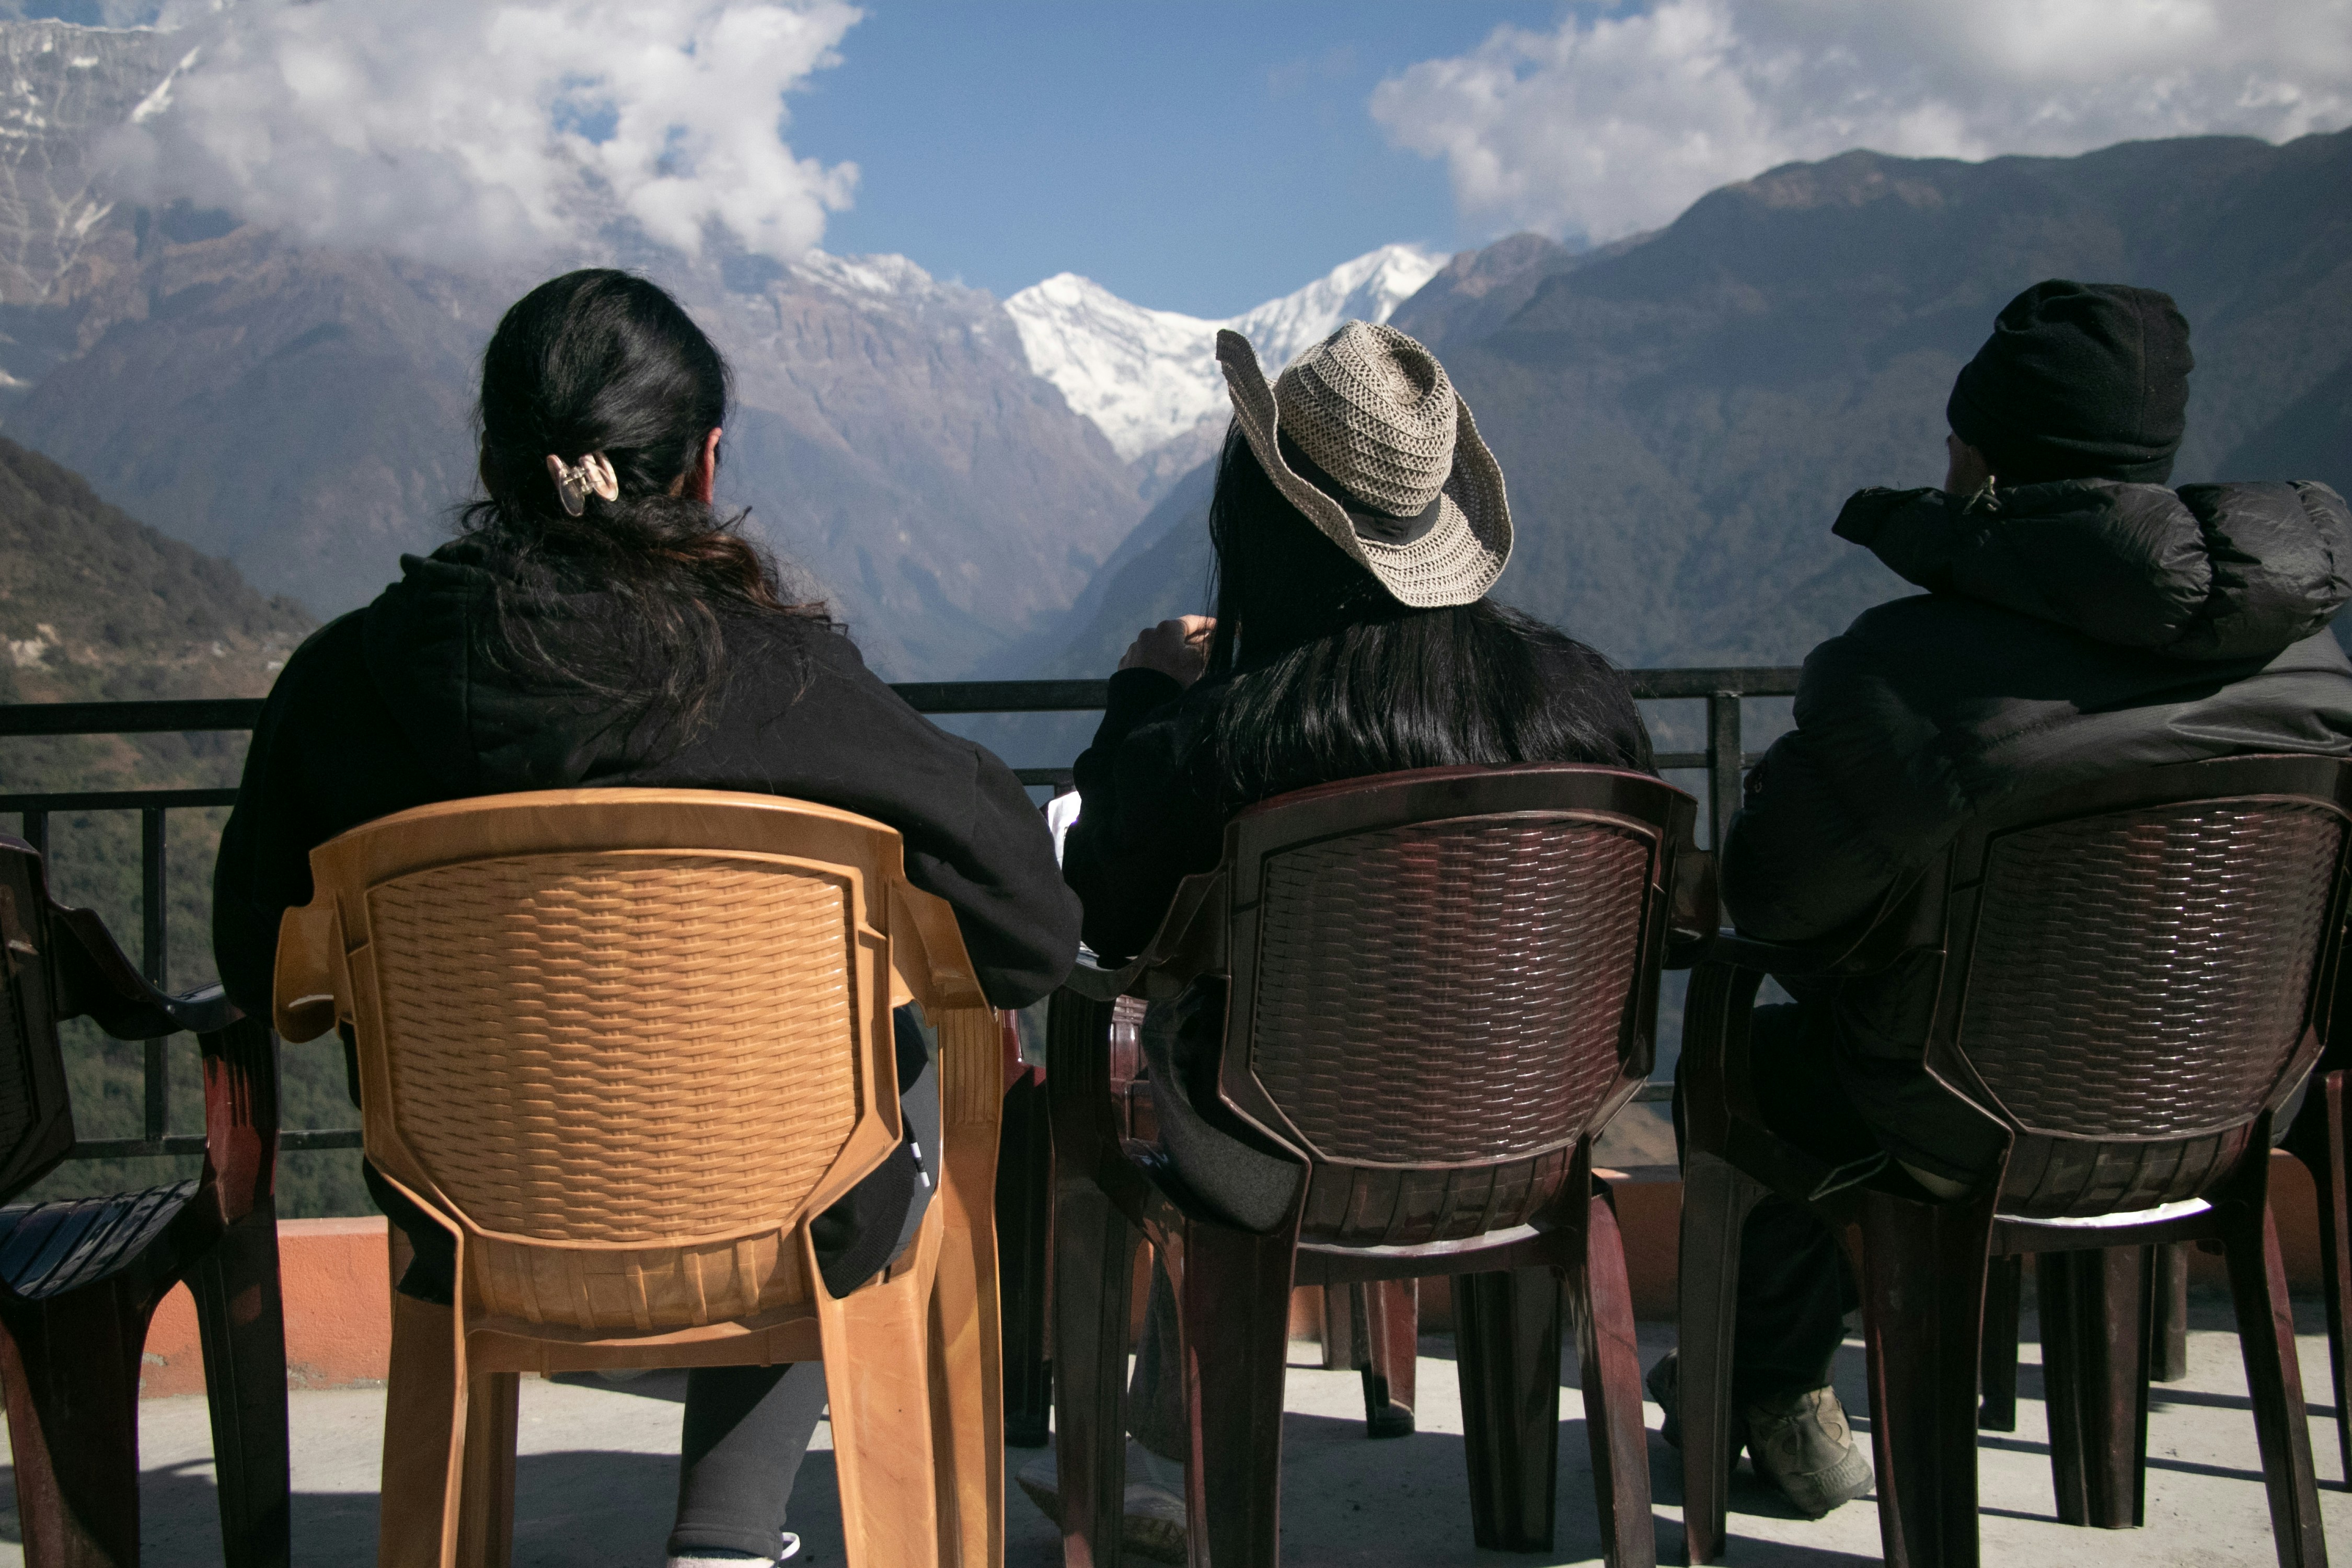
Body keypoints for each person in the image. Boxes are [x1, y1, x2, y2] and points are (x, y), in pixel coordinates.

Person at [211, 269, 1080, 1567]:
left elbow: (257, 968)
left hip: (467, 1231)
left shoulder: (345, 687)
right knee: (878, 1087)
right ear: (704, 462)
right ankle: (727, 1530)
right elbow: (1028, 931)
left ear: (496, 459)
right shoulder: (787, 678)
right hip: (789, 1233)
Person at [1648, 278, 2352, 1519]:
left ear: (1979, 459)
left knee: (1752, 1059)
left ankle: (1775, 1407)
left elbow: (1777, 905)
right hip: (2237, 1103)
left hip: (1972, 1122)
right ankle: (2110, 1464)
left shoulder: (1910, 668)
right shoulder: (2310, 661)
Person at [1023, 320, 1655, 1559]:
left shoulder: (1232, 740)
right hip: (1535, 1141)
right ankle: (1525, 1505)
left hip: (1277, 1160)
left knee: (1149, 1066)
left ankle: (1163, 1470)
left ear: (1259, 513)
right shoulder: (1588, 707)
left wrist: (1145, 698)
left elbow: (1102, 909)